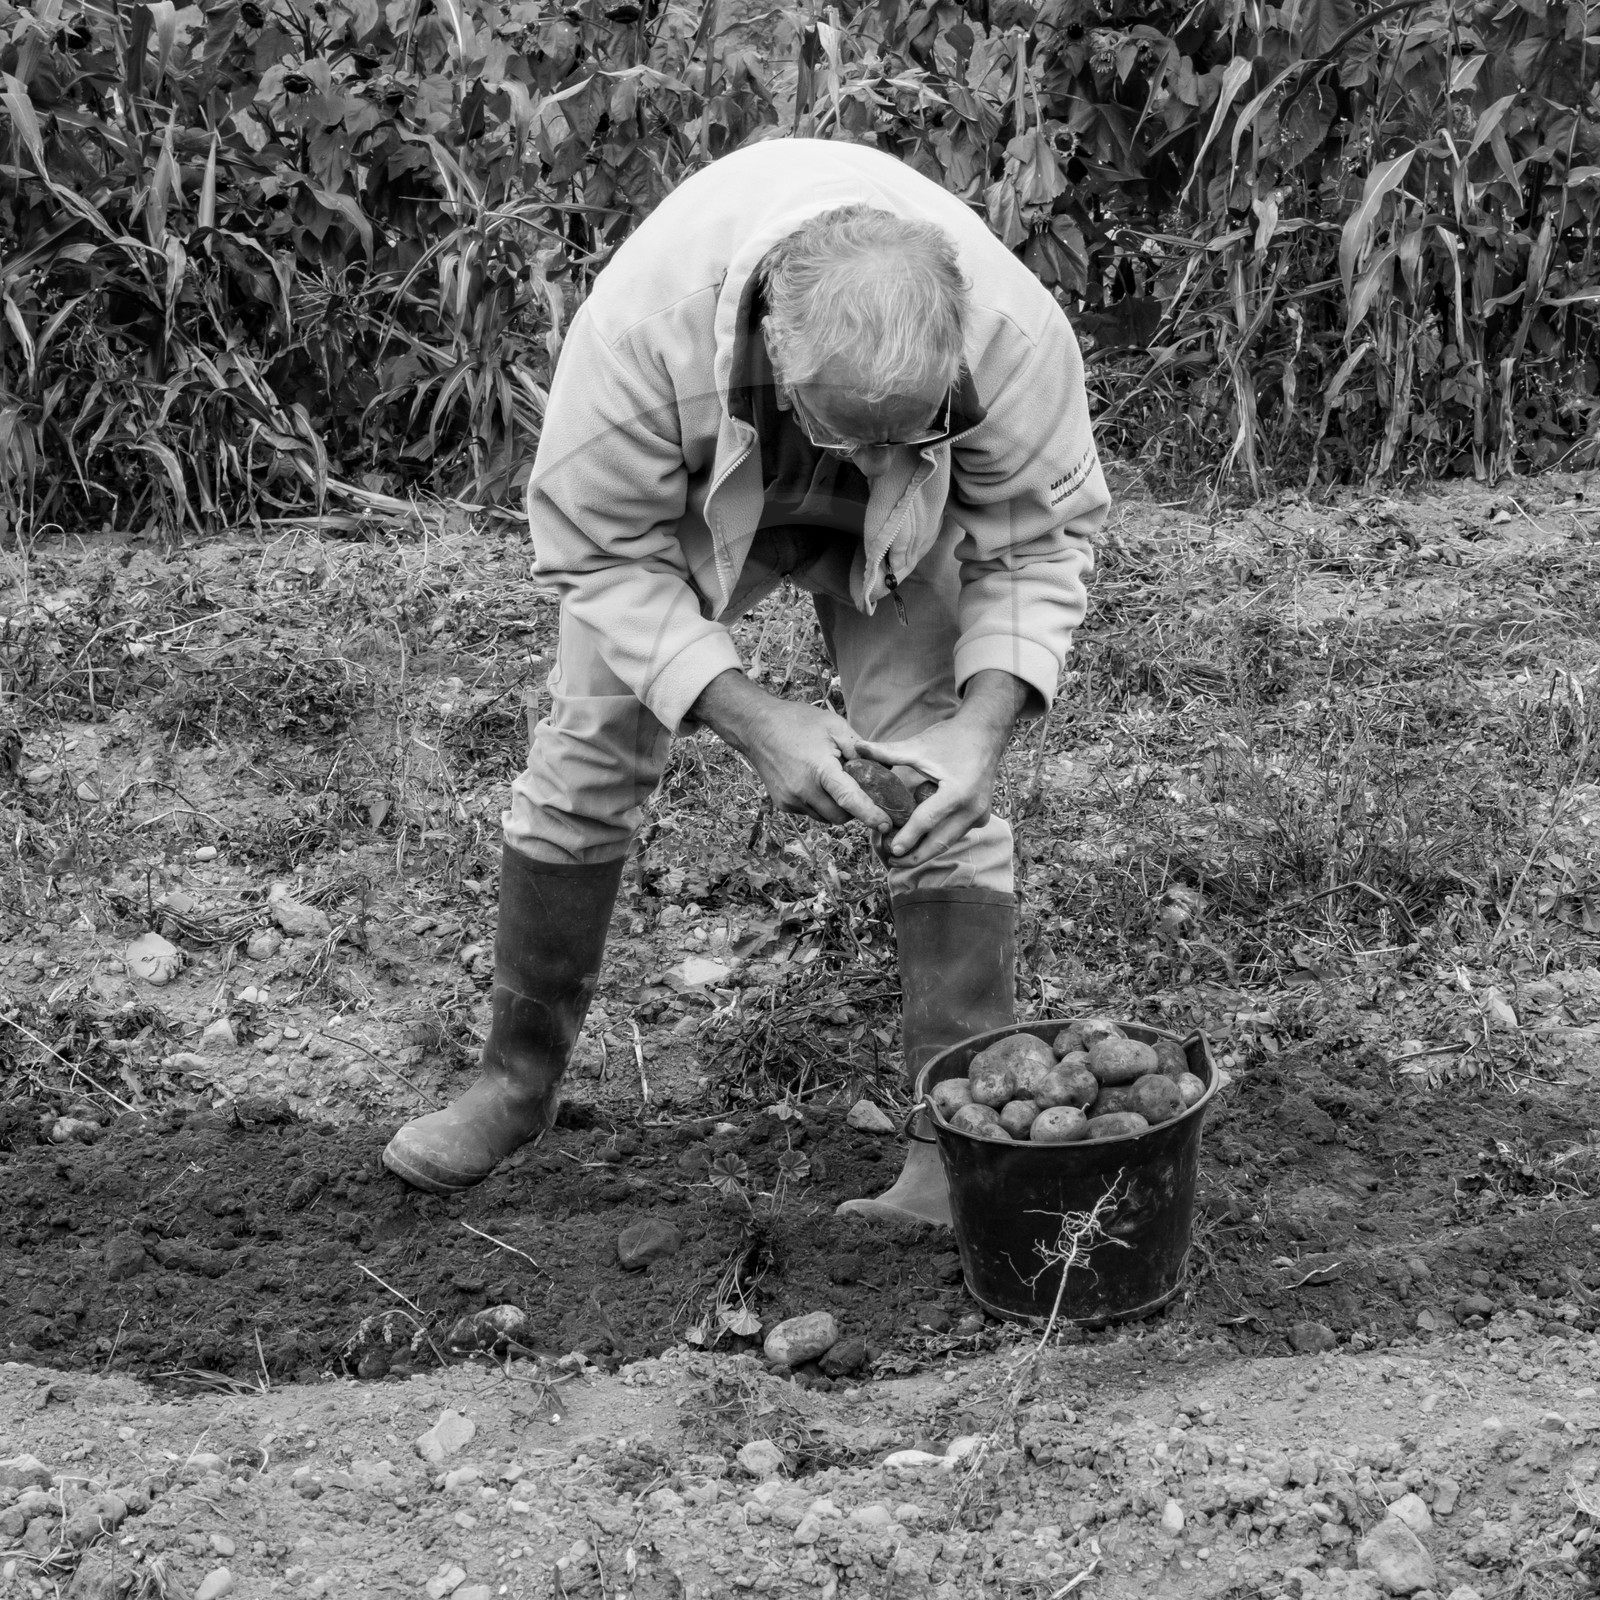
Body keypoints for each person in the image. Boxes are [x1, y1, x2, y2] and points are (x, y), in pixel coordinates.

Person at [382, 136, 1109, 1226]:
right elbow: (596, 551)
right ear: (774, 335)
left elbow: (1038, 541)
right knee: (587, 754)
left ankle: (948, 1144)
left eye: (905, 429)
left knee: (932, 775)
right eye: (848, 433)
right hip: (685, 507)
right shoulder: (641, 332)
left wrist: (982, 728)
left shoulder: (1010, 337)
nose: (871, 463)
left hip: (911, 536)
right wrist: (748, 714)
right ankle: (512, 1083)